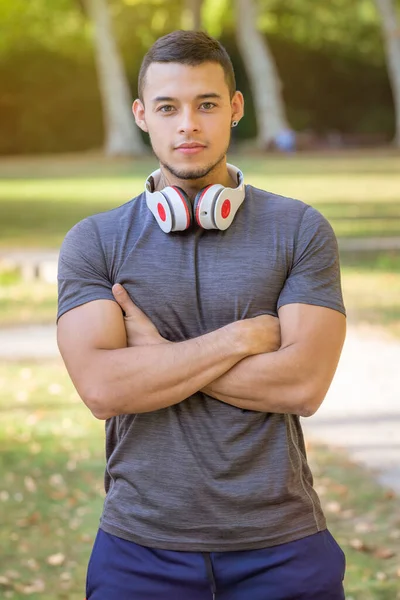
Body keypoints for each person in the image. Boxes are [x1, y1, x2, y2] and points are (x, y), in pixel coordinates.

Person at [57, 29, 347, 600]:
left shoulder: (299, 231)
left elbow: (304, 386)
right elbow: (103, 389)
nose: (187, 123)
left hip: (283, 546)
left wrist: (158, 359)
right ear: (141, 115)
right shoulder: (95, 242)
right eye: (168, 107)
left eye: (206, 104)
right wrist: (243, 338)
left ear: (235, 109)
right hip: (139, 550)